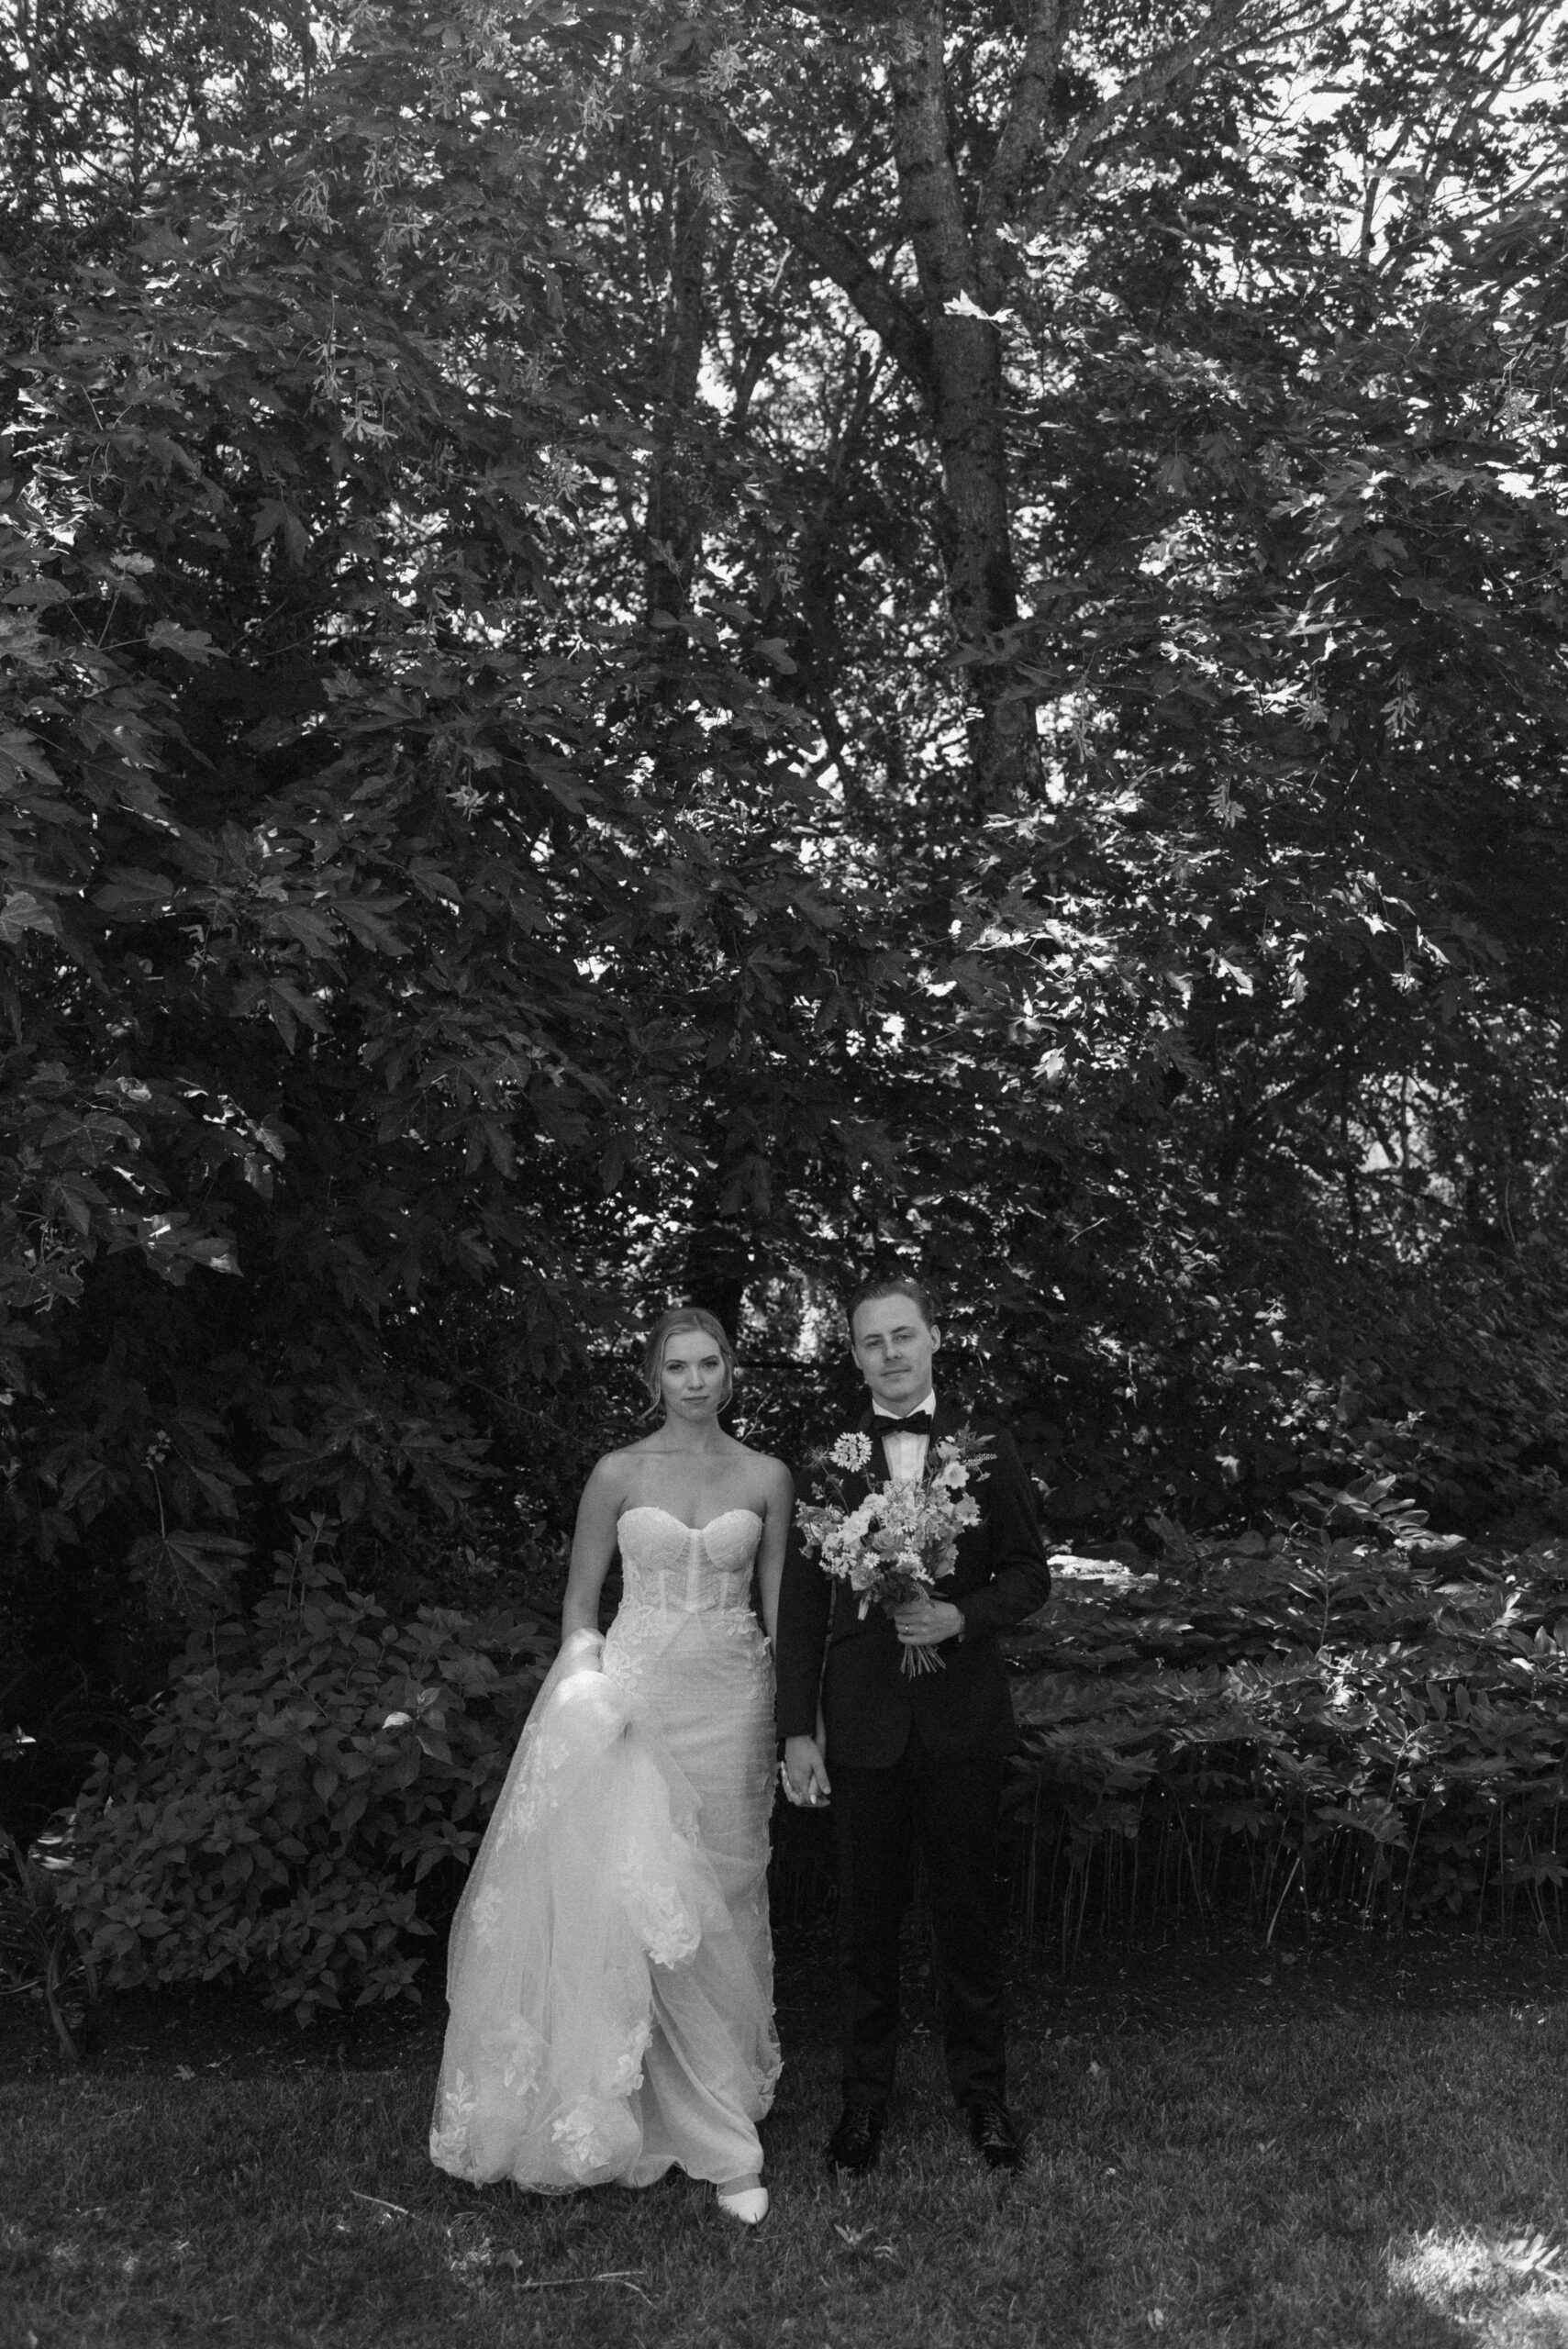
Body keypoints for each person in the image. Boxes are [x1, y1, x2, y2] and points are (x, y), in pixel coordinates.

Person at [429, 1306, 792, 2226]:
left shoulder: (767, 1476)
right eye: (678, 1365)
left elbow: (780, 1610)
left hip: (735, 1701)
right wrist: (587, 1696)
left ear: (731, 1371)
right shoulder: (616, 1474)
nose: (697, 1379)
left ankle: (715, 2099)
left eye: (711, 1362)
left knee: (723, 1893)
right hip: (639, 1699)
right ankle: (632, 2109)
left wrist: (797, 1723)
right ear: (652, 1377)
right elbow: (581, 1607)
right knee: (633, 1897)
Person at [773, 1274, 1051, 2176]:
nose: (888, 1354)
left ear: (934, 1337)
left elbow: (1026, 1575)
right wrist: (795, 1730)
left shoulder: (982, 1447)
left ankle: (984, 2100)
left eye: (903, 1335)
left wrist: (960, 1617)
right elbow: (804, 1606)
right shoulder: (838, 1451)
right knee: (863, 1926)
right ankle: (862, 2104)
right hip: (861, 1727)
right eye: (870, 1341)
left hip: (961, 1722)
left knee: (968, 1919)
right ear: (853, 1353)